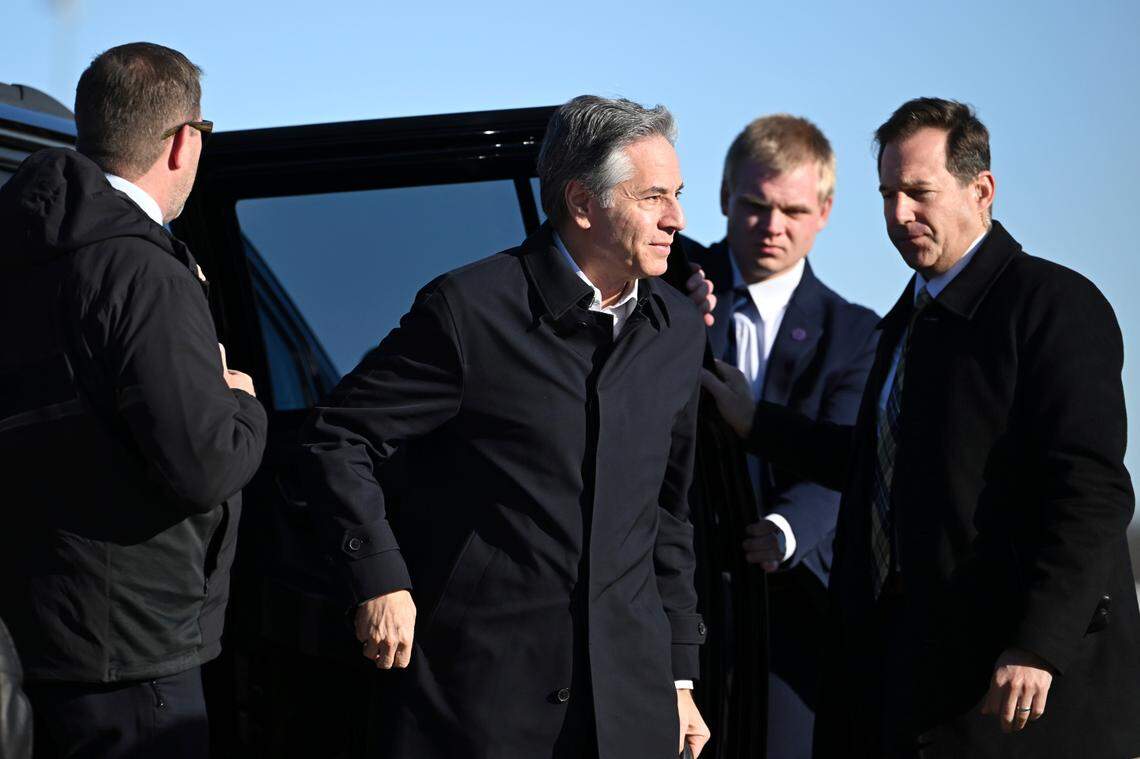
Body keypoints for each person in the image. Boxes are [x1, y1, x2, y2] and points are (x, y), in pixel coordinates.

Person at [700, 97, 1140, 758]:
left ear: (981, 190)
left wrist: (1037, 641)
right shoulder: (908, 318)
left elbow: (1091, 488)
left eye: (918, 192)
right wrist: (757, 423)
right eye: (887, 194)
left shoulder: (1052, 304)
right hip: (905, 681)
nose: (898, 214)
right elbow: (879, 463)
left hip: (1010, 696)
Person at [299, 95, 710, 758]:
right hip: (482, 703)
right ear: (582, 203)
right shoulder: (469, 312)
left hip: (632, 708)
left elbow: (667, 514)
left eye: (677, 194)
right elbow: (336, 437)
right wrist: (379, 575)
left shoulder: (679, 332)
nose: (677, 218)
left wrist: (680, 675)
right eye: (653, 196)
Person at [0, 43, 267, 757]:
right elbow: (204, 464)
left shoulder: (21, 253)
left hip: (31, 634)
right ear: (184, 140)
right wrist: (241, 401)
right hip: (133, 649)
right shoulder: (142, 271)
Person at [678, 114, 877, 759]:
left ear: (824, 210)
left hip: (790, 615)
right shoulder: (665, 289)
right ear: (723, 197)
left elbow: (845, 457)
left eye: (792, 210)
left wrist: (786, 529)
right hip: (667, 597)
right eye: (755, 206)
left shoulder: (856, 335)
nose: (772, 227)